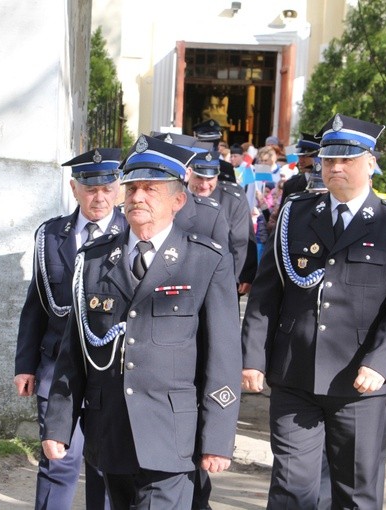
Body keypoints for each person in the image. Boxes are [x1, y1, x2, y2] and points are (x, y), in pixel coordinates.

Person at [42, 135, 242, 510]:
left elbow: (224, 357)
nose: (137, 197)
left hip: (171, 434)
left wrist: (217, 436)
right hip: (111, 429)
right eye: (132, 187)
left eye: (151, 189)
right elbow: (75, 352)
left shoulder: (205, 261)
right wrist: (58, 424)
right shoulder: (96, 260)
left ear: (178, 201)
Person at [241, 114, 386, 509]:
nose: (335, 168)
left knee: (355, 492)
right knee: (292, 487)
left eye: (347, 160)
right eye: (328, 160)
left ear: (371, 163)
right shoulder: (296, 213)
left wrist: (383, 363)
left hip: (360, 380)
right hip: (294, 373)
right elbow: (266, 292)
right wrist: (253, 356)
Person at [14, 148, 126, 510]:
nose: (100, 197)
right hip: (56, 369)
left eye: (108, 188)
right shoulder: (50, 235)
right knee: (58, 461)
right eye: (91, 189)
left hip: (111, 370)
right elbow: (36, 304)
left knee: (105, 467)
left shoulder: (132, 233)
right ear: (75, 188)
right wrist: (25, 365)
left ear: (118, 188)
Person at [187, 149, 255, 293]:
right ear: (188, 173)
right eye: (199, 177)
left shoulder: (231, 199)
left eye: (210, 179)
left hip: (219, 280)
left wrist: (233, 281)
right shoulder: (174, 195)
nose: (204, 185)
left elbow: (240, 242)